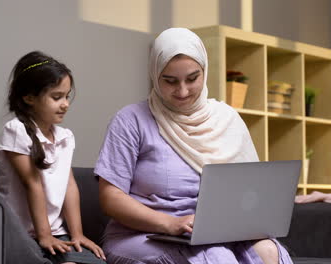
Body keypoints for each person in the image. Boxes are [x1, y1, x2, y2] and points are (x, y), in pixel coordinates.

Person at [94, 28, 293, 264]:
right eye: (169, 81)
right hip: (143, 234)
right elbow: (110, 197)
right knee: (216, 257)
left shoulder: (227, 119)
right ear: (155, 75)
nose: (182, 91)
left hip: (217, 232)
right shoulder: (130, 120)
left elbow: (252, 190)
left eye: (192, 78)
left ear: (204, 72)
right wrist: (171, 223)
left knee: (269, 252)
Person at [0, 51, 106, 264]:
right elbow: (32, 184)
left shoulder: (65, 137)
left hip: (55, 232)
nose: (65, 104)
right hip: (17, 232)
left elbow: (69, 186)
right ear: (29, 97)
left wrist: (77, 235)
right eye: (57, 97)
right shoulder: (16, 130)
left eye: (66, 96)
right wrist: (44, 236)